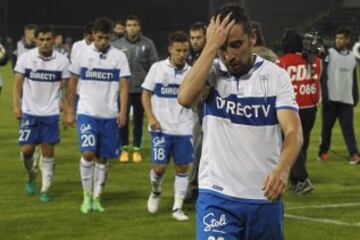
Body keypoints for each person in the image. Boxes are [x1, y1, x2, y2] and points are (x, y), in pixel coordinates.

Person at [178, 3, 303, 239]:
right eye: (222, 47)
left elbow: (293, 130)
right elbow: (184, 97)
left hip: (264, 198)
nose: (229, 56)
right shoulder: (211, 72)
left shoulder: (276, 76)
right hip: (217, 196)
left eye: (236, 45)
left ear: (252, 37)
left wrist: (283, 169)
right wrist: (210, 47)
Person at [66, 17, 130, 213]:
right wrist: (69, 110)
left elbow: (124, 85)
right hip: (87, 112)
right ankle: (86, 196)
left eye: (106, 38)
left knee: (103, 158)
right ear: (93, 35)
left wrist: (123, 111)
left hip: (109, 114)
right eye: (99, 37)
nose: (102, 41)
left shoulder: (119, 56)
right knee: (88, 153)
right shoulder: (81, 54)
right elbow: (72, 83)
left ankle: (97, 197)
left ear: (111, 36)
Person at [12, 24, 70, 202]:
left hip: (51, 113)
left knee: (48, 149)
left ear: (53, 40)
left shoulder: (62, 61)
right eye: (41, 39)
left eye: (48, 39)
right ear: (36, 40)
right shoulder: (26, 58)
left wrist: (68, 112)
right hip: (29, 111)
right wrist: (16, 106)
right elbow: (17, 85)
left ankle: (45, 188)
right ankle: (31, 175)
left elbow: (66, 90)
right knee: (27, 150)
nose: (45, 43)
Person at [142, 31, 194, 221]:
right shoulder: (157, 68)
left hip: (183, 128)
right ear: (170, 50)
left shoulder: (191, 72)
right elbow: (145, 94)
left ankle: (177, 208)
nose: (182, 54)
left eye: (185, 50)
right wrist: (151, 117)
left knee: (182, 167)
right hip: (161, 128)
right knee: (159, 169)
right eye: (178, 50)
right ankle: (156, 191)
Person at [277, 29, 322, 195]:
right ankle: (296, 180)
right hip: (311, 107)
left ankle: (302, 179)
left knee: (290, 143)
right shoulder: (315, 61)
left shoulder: (281, 62)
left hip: (292, 108)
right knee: (302, 144)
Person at [113, 15, 159, 163]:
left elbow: (154, 65)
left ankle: (137, 148)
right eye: (129, 25)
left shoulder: (148, 44)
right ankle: (124, 149)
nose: (132, 28)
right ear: (125, 28)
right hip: (122, 90)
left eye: (134, 25)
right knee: (122, 119)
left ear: (139, 27)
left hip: (141, 89)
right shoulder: (117, 44)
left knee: (139, 120)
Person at [318, 26, 360, 164]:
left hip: (346, 100)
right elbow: (322, 76)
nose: (338, 40)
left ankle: (354, 154)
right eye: (337, 37)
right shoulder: (329, 54)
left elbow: (353, 78)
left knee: (348, 130)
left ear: (347, 40)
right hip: (331, 99)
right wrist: (325, 96)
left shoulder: (352, 58)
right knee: (326, 130)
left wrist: (355, 96)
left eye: (341, 38)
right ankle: (323, 152)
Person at [184, 21, 207, 203]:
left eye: (198, 37)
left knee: (202, 151)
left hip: (207, 111)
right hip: (195, 111)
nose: (195, 41)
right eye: (192, 38)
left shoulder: (210, 56)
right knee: (196, 151)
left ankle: (195, 188)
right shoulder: (189, 58)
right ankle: (193, 187)